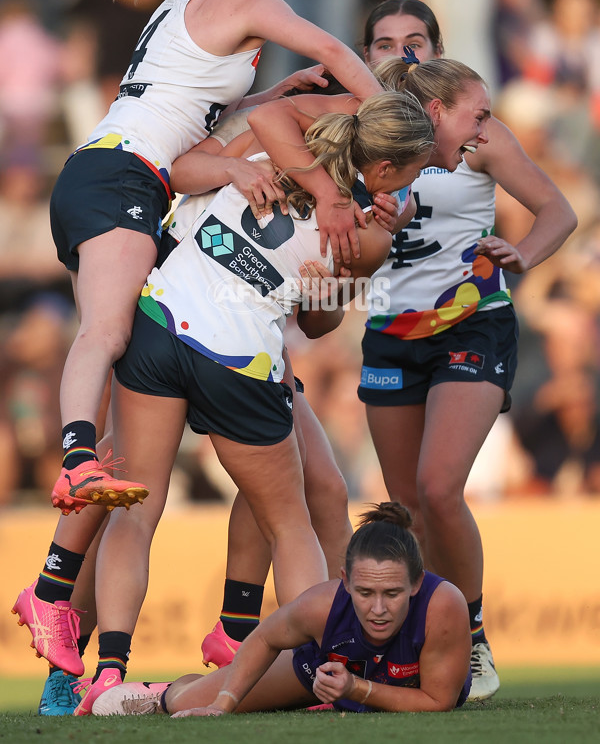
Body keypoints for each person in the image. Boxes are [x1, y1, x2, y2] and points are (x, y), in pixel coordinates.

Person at [67, 87, 435, 715]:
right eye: (411, 172)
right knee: (287, 520)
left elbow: (186, 171)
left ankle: (108, 671)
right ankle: (325, 671)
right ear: (381, 169)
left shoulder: (264, 144)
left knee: (135, 508)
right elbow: (316, 327)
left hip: (161, 322)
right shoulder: (369, 234)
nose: (411, 185)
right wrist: (331, 281)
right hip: (239, 357)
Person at [45, 0, 383, 519]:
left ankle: (55, 583)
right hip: (124, 176)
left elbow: (192, 114)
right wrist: (397, 115)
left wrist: (272, 94)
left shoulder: (192, 2)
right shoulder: (241, 4)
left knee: (137, 370)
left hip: (112, 171)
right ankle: (74, 461)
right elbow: (337, 50)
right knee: (109, 329)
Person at [168, 53, 494, 669]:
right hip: (200, 320)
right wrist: (243, 171)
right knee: (273, 502)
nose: (480, 134)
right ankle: (320, 659)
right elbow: (193, 162)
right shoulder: (305, 139)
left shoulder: (372, 212)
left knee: (319, 486)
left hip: (232, 333)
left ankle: (230, 632)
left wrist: (334, 282)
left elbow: (317, 321)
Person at [354, 0, 577, 700]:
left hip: (471, 321)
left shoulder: (477, 133)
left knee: (440, 485)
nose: (401, 53)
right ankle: (421, 646)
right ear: (363, 57)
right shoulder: (351, 138)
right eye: (384, 42)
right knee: (404, 506)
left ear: (437, 53)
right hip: (389, 333)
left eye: (415, 41)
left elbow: (558, 211)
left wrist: (520, 256)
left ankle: (473, 640)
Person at [91, 502, 472, 717]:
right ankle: (163, 691)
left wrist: (354, 689)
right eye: (364, 592)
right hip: (320, 672)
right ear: (344, 581)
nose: (377, 609)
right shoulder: (322, 605)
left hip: (351, 682)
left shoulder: (443, 606)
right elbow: (264, 638)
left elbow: (436, 702)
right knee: (185, 704)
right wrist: (223, 704)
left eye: (392, 593)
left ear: (417, 584)